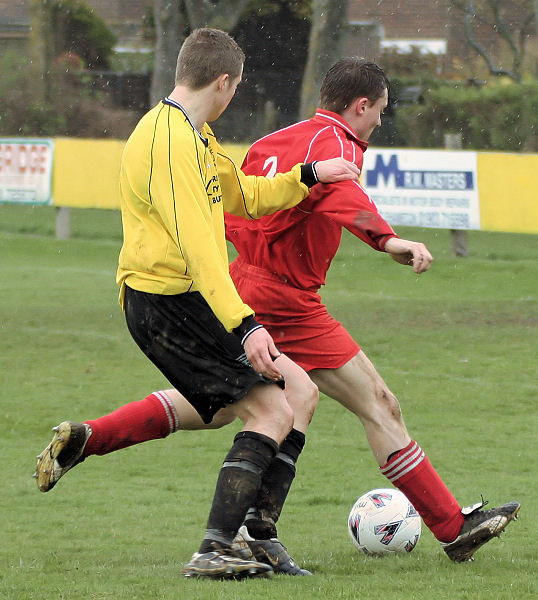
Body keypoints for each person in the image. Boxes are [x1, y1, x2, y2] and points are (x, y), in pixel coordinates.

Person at [34, 29, 361, 581]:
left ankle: (258, 535)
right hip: (164, 301)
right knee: (271, 410)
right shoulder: (169, 141)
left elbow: (246, 196)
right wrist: (246, 323)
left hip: (185, 298)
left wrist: (308, 176)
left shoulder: (196, 134)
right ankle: (215, 547)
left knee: (299, 390)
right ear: (224, 81)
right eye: (237, 87)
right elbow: (199, 248)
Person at [224, 57, 520, 564]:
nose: (381, 121)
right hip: (289, 300)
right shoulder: (335, 145)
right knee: (378, 403)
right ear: (360, 105)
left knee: (219, 407)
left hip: (242, 285)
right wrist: (388, 240)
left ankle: (93, 437)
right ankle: (451, 527)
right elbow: (342, 196)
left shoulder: (271, 141)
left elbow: (235, 208)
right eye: (380, 110)